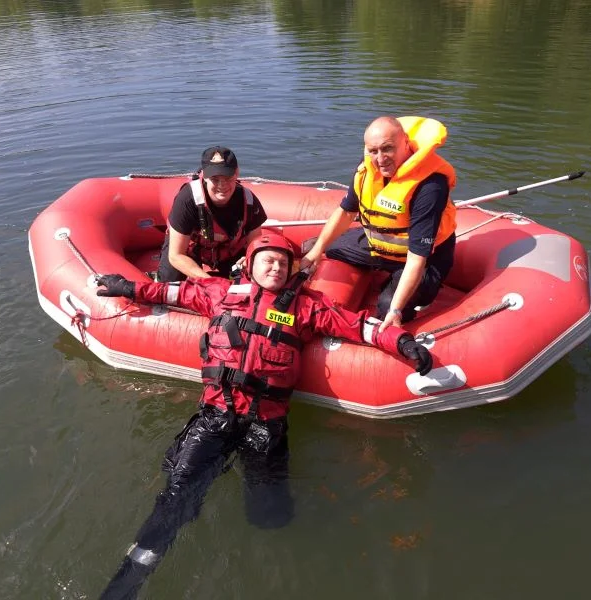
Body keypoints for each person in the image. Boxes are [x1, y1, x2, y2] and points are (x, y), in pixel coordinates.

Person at [95, 232, 432, 599]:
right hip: (214, 419)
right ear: (250, 265)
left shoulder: (307, 307)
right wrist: (125, 286)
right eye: (268, 261)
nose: (275, 267)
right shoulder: (219, 292)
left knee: (270, 517)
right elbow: (169, 293)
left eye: (282, 263)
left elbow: (359, 326)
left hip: (265, 428)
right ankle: (129, 580)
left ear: (291, 271)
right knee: (177, 495)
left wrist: (401, 342)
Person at [300, 115, 457, 333]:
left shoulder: (430, 187)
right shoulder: (367, 171)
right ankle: (381, 271)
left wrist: (395, 310)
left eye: (387, 149)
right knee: (320, 247)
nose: (380, 159)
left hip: (423, 259)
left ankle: (412, 294)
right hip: (380, 247)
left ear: (405, 143)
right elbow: (346, 212)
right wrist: (318, 250)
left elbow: (417, 257)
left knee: (387, 306)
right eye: (373, 151)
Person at [156, 146, 268, 282]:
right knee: (171, 280)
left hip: (229, 253)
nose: (222, 185)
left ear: (237, 173)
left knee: (254, 278)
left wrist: (250, 261)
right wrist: (212, 283)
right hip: (191, 250)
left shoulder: (249, 202)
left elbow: (255, 249)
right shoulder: (187, 199)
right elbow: (176, 255)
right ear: (204, 175)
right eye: (215, 179)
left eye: (228, 177)